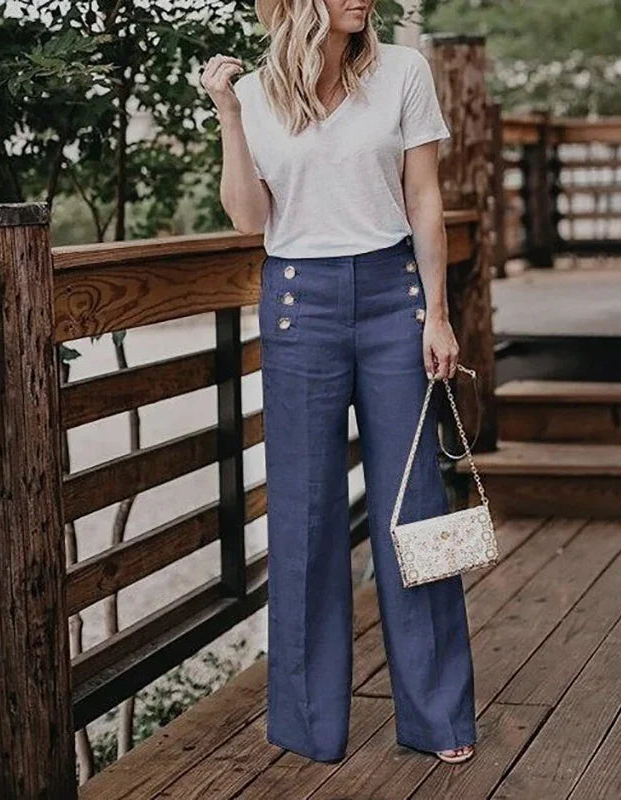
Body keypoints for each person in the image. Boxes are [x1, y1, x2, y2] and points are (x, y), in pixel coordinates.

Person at [201, 0, 477, 765]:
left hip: (397, 297)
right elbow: (249, 217)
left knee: (417, 510)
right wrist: (228, 114)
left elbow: (423, 199)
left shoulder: (402, 72)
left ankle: (440, 717)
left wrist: (438, 315)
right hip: (298, 305)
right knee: (305, 512)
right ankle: (306, 724)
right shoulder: (255, 93)